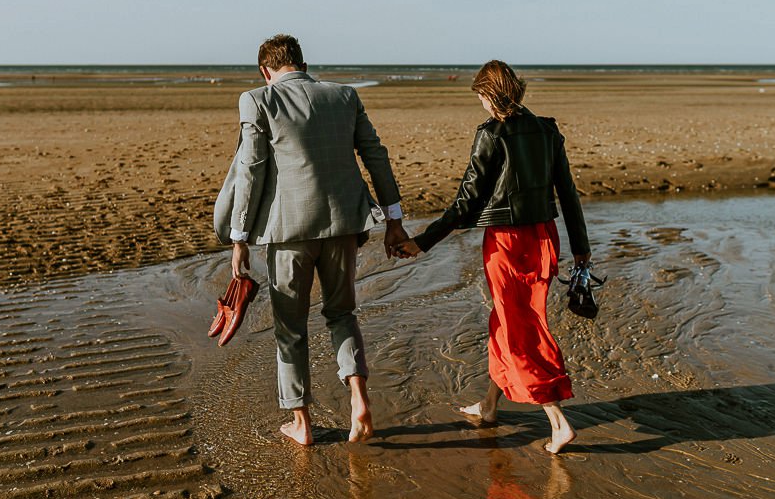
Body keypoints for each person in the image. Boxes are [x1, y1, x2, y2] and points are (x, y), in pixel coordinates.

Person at [213, 34, 409, 446]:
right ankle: (358, 399)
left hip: (287, 232)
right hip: (344, 225)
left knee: (291, 327)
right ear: (303, 62)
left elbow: (250, 170)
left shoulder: (258, 100)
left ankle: (301, 424)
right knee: (341, 314)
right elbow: (376, 155)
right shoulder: (343, 96)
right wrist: (393, 218)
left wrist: (239, 238)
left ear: (265, 72)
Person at [393, 60, 591, 454]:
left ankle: (557, 421)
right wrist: (582, 249)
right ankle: (488, 405)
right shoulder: (547, 130)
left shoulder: (491, 134)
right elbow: (567, 193)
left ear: (489, 94)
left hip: (507, 242)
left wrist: (423, 241)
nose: (481, 104)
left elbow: (465, 202)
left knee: (520, 327)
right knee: (508, 319)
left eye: (481, 96)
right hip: (544, 236)